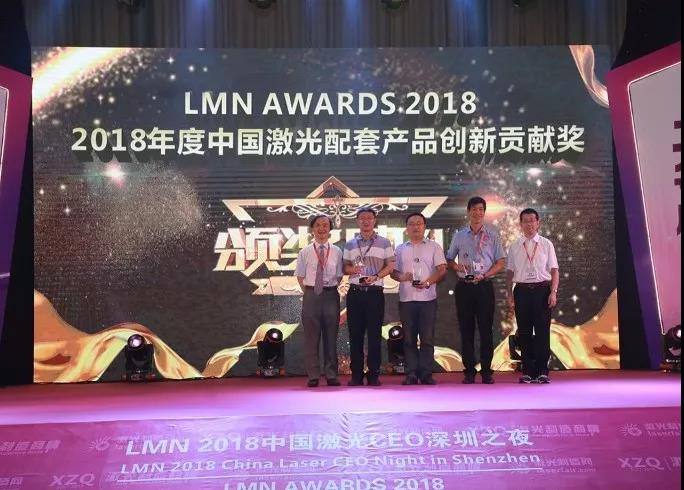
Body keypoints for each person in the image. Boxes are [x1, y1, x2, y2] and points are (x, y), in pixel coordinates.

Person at [446, 196, 506, 385]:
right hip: (464, 287)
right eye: (474, 209)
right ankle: (469, 372)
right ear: (468, 211)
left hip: (484, 286)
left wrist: (486, 274)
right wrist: (456, 267)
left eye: (481, 209)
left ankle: (487, 371)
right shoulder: (459, 235)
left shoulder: (493, 236)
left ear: (484, 212)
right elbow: (449, 259)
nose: (477, 212)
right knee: (466, 330)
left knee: (486, 330)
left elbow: (501, 262)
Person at [390, 213, 447, 385]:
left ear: (424, 226)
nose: (415, 227)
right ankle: (411, 373)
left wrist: (428, 282)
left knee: (427, 338)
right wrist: (402, 277)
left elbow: (442, 269)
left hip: (428, 299)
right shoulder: (400, 249)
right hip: (407, 300)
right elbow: (393, 272)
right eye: (412, 224)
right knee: (409, 339)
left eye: (419, 223)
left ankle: (426, 373)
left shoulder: (434, 247)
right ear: (406, 228)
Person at [505, 208, 559, 384]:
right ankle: (527, 370)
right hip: (521, 292)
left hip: (542, 291)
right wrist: (509, 294)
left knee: (543, 331)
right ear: (520, 224)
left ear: (538, 223)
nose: (529, 224)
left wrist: (553, 292)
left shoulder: (546, 244)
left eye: (532, 220)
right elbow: (509, 273)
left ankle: (542, 370)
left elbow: (554, 270)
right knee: (524, 332)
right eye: (525, 221)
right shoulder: (514, 246)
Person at [343, 208, 395, 386]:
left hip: (374, 293)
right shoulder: (350, 244)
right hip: (355, 293)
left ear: (374, 220)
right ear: (357, 221)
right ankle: (356, 375)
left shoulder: (384, 242)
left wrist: (377, 276)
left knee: (374, 335)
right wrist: (353, 269)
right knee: (355, 335)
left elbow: (391, 265)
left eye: (369, 218)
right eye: (362, 218)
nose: (366, 221)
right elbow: (344, 268)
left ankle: (374, 374)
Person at [295, 215, 344, 388]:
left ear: (330, 229)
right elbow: (300, 276)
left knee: (331, 337)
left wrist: (326, 289)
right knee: (311, 338)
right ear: (312, 229)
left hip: (331, 295)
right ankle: (313, 375)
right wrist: (312, 292)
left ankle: (331, 375)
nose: (322, 228)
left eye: (325, 225)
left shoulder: (337, 251)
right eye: (318, 225)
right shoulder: (305, 252)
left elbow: (339, 276)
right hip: (311, 295)